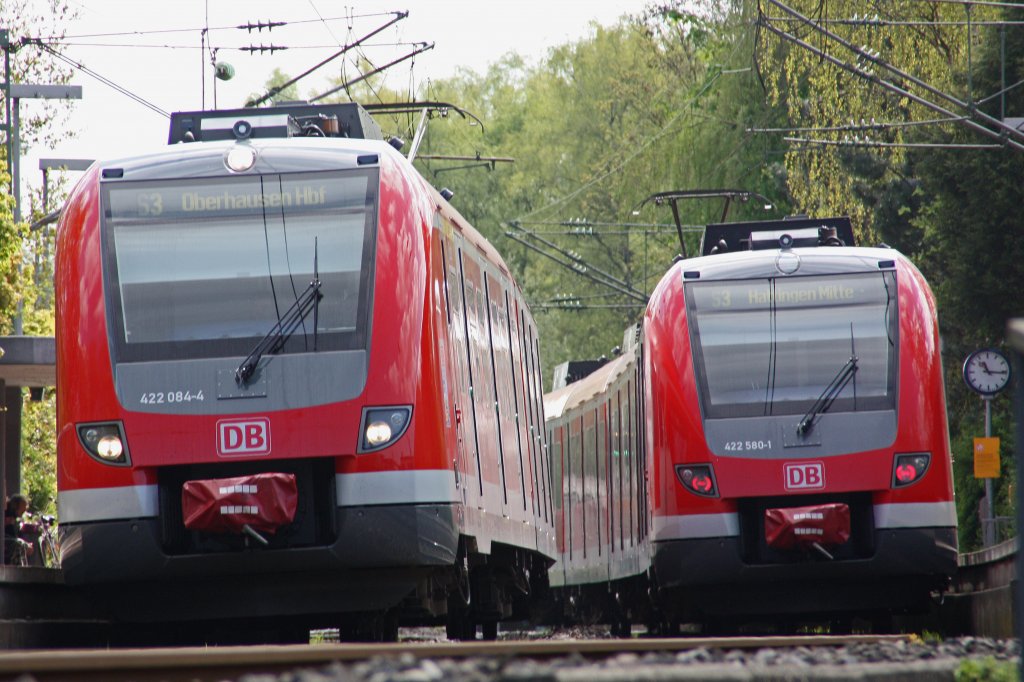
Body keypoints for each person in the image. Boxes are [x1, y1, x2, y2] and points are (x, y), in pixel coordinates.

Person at [4, 494, 35, 565]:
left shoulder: (14, 517)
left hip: (8, 540)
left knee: (23, 546)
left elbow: (14, 535)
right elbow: (11, 535)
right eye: (23, 507)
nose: (24, 509)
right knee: (20, 545)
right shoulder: (7, 514)